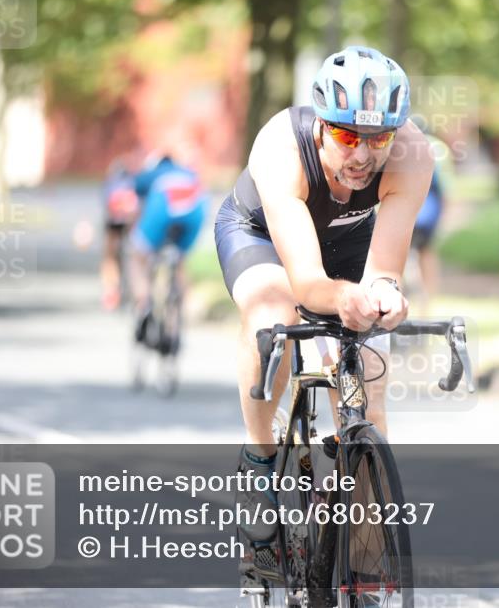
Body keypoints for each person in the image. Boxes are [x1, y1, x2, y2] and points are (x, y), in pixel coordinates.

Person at [214, 45, 433, 557]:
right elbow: (310, 285)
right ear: (320, 125)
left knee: (366, 373)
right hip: (262, 235)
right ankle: (261, 459)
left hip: (349, 242)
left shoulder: (413, 154)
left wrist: (386, 296)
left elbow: (384, 272)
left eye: (378, 137)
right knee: (273, 315)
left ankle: (358, 546)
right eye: (346, 135)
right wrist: (343, 297)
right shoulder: (280, 147)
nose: (362, 155)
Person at [129, 151, 207, 341]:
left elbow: (136, 205)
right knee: (179, 260)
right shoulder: (187, 172)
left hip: (162, 207)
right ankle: (175, 322)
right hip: (195, 209)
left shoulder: (150, 174)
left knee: (137, 257)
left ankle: (143, 304)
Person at [408, 119, 450, 314]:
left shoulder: (405, 147)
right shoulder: (437, 148)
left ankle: (396, 296)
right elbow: (445, 186)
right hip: (429, 212)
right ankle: (427, 299)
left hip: (409, 210)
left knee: (398, 256)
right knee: (427, 252)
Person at [100, 154, 141, 311]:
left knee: (110, 255)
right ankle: (134, 290)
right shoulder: (133, 182)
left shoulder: (110, 182)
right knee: (133, 254)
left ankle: (110, 291)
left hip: (114, 220)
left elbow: (106, 206)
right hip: (131, 220)